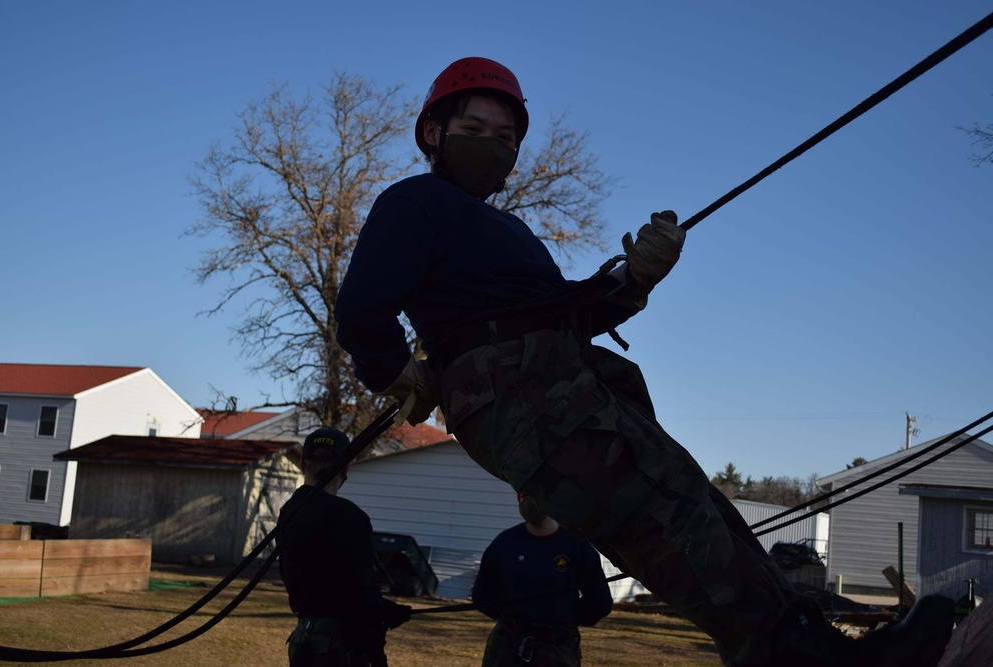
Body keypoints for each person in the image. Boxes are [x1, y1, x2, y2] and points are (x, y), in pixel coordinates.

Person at [334, 57, 955, 666]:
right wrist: (397, 372)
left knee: (697, 506)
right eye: (473, 131)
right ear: (433, 133)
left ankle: (811, 644)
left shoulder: (513, 234)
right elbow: (363, 306)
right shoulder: (415, 202)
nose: (491, 146)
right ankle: (794, 654)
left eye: (505, 137)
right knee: (664, 525)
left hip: (569, 389)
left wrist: (637, 277)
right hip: (522, 401)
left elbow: (565, 318)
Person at [276, 426, 412, 666]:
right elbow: (360, 591)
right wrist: (377, 654)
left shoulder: (288, 511)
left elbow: (322, 582)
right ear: (346, 468)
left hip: (303, 638)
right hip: (339, 645)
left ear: (302, 464)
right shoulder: (349, 516)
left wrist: (382, 607)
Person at [471, 492, 613, 666]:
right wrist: (511, 621)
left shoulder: (577, 546)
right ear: (518, 498)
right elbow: (482, 595)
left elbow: (600, 601)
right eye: (526, 495)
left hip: (558, 650)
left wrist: (565, 619)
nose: (531, 501)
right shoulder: (505, 543)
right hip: (507, 648)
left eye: (536, 493)